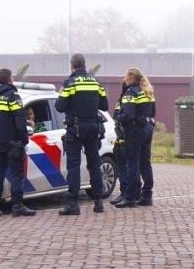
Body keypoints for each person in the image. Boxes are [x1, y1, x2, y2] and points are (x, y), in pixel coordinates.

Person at [55, 53, 109, 216]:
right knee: (94, 163)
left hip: (75, 128)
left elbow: (59, 106)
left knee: (73, 165)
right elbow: (104, 105)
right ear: (85, 65)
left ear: (72, 66)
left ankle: (73, 204)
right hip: (93, 127)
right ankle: (98, 202)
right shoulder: (96, 83)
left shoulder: (70, 83)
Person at [0, 68, 35, 217]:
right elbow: (19, 120)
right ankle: (17, 206)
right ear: (10, 79)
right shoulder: (12, 96)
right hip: (13, 142)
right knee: (16, 174)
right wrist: (23, 139)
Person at [112, 68, 156, 208]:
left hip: (135, 131)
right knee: (145, 163)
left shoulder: (130, 94)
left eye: (126, 76)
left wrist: (118, 117)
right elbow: (153, 112)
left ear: (131, 78)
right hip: (148, 129)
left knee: (132, 163)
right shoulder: (148, 92)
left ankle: (130, 197)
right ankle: (147, 196)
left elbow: (128, 115)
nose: (124, 79)